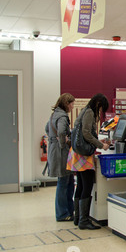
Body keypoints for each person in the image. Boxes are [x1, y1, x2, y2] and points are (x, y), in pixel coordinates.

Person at [67, 94, 110, 229]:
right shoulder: (90, 112)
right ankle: (84, 221)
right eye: (101, 107)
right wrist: (101, 145)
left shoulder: (84, 110)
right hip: (83, 154)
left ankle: (78, 218)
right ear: (98, 103)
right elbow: (86, 133)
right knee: (87, 184)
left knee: (80, 184)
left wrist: (98, 140)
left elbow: (86, 133)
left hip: (77, 152)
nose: (100, 110)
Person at [45, 93, 76, 221]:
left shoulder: (54, 115)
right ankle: (63, 214)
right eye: (72, 104)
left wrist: (53, 139)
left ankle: (68, 211)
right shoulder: (62, 117)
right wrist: (64, 143)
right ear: (66, 104)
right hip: (61, 152)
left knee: (67, 182)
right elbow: (62, 131)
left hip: (54, 149)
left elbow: (47, 128)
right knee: (64, 182)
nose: (73, 107)